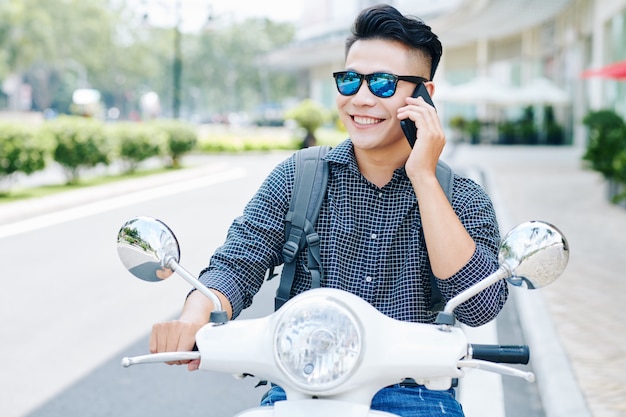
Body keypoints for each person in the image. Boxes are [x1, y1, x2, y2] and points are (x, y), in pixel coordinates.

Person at [149, 4, 508, 417]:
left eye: (383, 84)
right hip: (300, 390)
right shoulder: (297, 177)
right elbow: (236, 264)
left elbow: (480, 307)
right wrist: (193, 318)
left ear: (424, 95)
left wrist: (424, 178)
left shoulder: (460, 196)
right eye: (350, 80)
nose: (361, 98)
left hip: (415, 396)